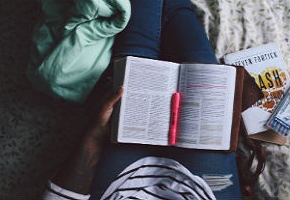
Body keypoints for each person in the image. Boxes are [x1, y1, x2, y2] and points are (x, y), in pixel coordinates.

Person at [44, 0, 243, 199]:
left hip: (118, 190)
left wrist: (95, 133)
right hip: (203, 191)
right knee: (199, 66)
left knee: (136, 57)